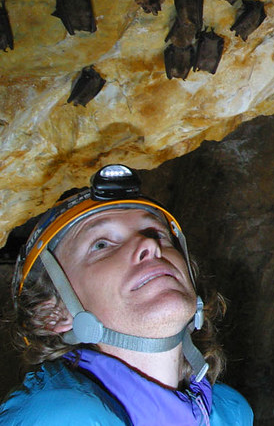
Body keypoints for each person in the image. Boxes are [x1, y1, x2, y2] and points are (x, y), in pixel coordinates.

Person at [1, 163, 253, 424]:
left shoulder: (229, 412)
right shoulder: (58, 418)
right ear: (52, 314)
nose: (149, 244)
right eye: (101, 244)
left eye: (156, 233)